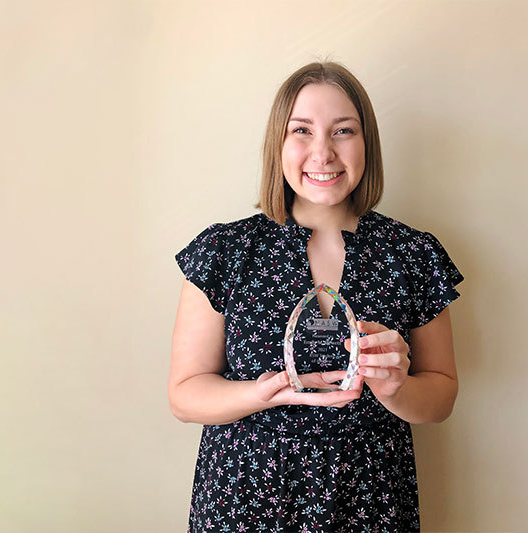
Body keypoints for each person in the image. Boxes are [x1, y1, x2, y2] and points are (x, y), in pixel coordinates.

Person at [170, 61, 465, 532]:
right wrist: (262, 394)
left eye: (343, 131)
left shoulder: (413, 254)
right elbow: (185, 395)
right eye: (302, 131)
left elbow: (442, 394)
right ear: (278, 144)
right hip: (245, 504)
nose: (322, 153)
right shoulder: (225, 252)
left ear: (366, 141)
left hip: (372, 503)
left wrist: (398, 388)